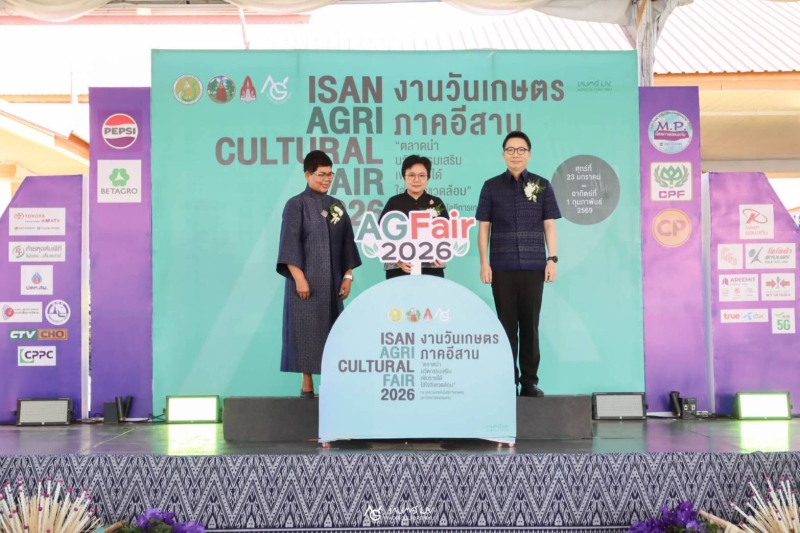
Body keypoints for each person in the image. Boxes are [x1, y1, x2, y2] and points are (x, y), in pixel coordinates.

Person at [475, 131, 561, 398]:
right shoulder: (490, 186)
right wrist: (484, 263)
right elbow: (484, 228)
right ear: (503, 154)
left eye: (521, 150)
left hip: (534, 266)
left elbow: (549, 225)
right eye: (510, 150)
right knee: (506, 327)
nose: (516, 154)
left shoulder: (542, 185)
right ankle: (507, 380)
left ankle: (529, 382)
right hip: (501, 267)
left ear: (529, 154)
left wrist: (552, 259)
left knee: (530, 327)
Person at [277, 150, 362, 398]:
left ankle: (333, 385)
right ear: (307, 175)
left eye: (330, 174)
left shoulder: (337, 205)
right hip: (306, 282)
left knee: (334, 332)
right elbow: (289, 243)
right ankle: (307, 384)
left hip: (333, 282)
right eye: (321, 174)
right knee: (306, 332)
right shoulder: (296, 204)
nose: (327, 179)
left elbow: (347, 242)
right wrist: (299, 278)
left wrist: (348, 275)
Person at [378, 155, 449, 279]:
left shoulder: (436, 203)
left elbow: (448, 235)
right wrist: (398, 260)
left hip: (431, 269)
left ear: (428, 178)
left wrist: (439, 254)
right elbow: (380, 235)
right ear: (404, 177)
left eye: (422, 175)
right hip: (400, 269)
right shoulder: (394, 202)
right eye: (411, 175)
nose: (416, 180)